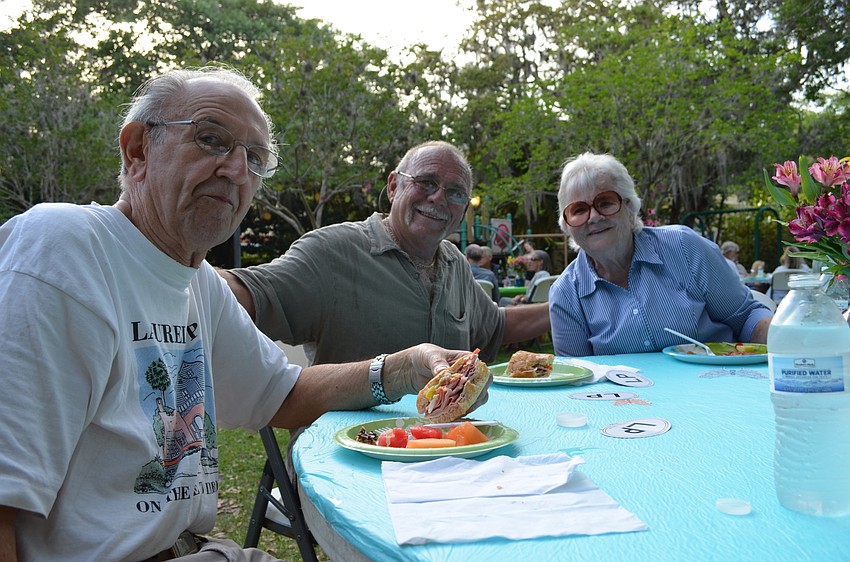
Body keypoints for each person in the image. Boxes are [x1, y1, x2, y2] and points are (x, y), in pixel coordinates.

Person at [0, 67, 475, 562]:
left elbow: (281, 396)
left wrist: (401, 367)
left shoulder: (198, 281)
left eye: (254, 158)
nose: (235, 170)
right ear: (138, 149)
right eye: (211, 140)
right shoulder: (63, 249)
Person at [219, 140, 551, 366]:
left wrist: (564, 305)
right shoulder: (334, 252)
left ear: (463, 211)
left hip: (448, 448)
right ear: (393, 186)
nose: (438, 198)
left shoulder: (454, 264)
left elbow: (496, 325)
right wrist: (172, 271)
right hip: (352, 455)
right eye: (425, 182)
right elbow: (244, 294)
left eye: (455, 193)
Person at [549, 152, 773, 357]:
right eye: (578, 210)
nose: (594, 217)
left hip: (714, 387)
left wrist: (779, 340)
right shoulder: (566, 294)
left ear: (630, 208)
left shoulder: (685, 247)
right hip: (627, 401)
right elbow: (579, 377)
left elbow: (744, 317)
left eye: (605, 202)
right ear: (567, 225)